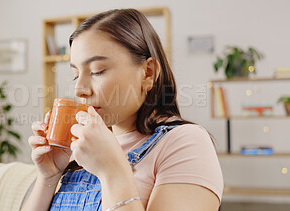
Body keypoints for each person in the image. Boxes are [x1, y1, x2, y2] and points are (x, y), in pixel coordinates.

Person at [22, 8, 223, 211]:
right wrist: (48, 177)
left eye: (96, 71)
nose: (79, 89)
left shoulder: (185, 143)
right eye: (75, 75)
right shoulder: (83, 148)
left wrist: (113, 172)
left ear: (148, 73)